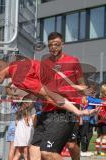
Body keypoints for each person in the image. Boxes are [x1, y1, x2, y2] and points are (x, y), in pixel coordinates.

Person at [0, 54, 98, 160]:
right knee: (34, 152)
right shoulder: (20, 64)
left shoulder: (18, 77)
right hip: (50, 109)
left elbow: (50, 95)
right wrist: (75, 86)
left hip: (63, 107)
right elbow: (46, 79)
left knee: (47, 153)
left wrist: (77, 111)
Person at [34, 32, 87, 160]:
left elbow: (80, 81)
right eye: (51, 45)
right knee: (43, 150)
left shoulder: (72, 61)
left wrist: (83, 96)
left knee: (71, 144)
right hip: (49, 108)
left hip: (69, 108)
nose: (53, 48)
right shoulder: (44, 63)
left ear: (62, 44)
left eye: (56, 44)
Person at [79, 84, 102, 156]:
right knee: (84, 135)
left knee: (90, 134)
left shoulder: (91, 97)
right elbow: (97, 101)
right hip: (85, 119)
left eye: (94, 92)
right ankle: (83, 150)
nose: (93, 93)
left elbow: (96, 102)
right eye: (92, 92)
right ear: (87, 91)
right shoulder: (87, 98)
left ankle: (85, 150)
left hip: (90, 120)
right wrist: (104, 101)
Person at [13, 95, 37, 160]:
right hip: (26, 134)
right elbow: (34, 123)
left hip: (19, 134)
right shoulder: (32, 110)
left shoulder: (19, 110)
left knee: (18, 153)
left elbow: (16, 123)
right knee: (26, 154)